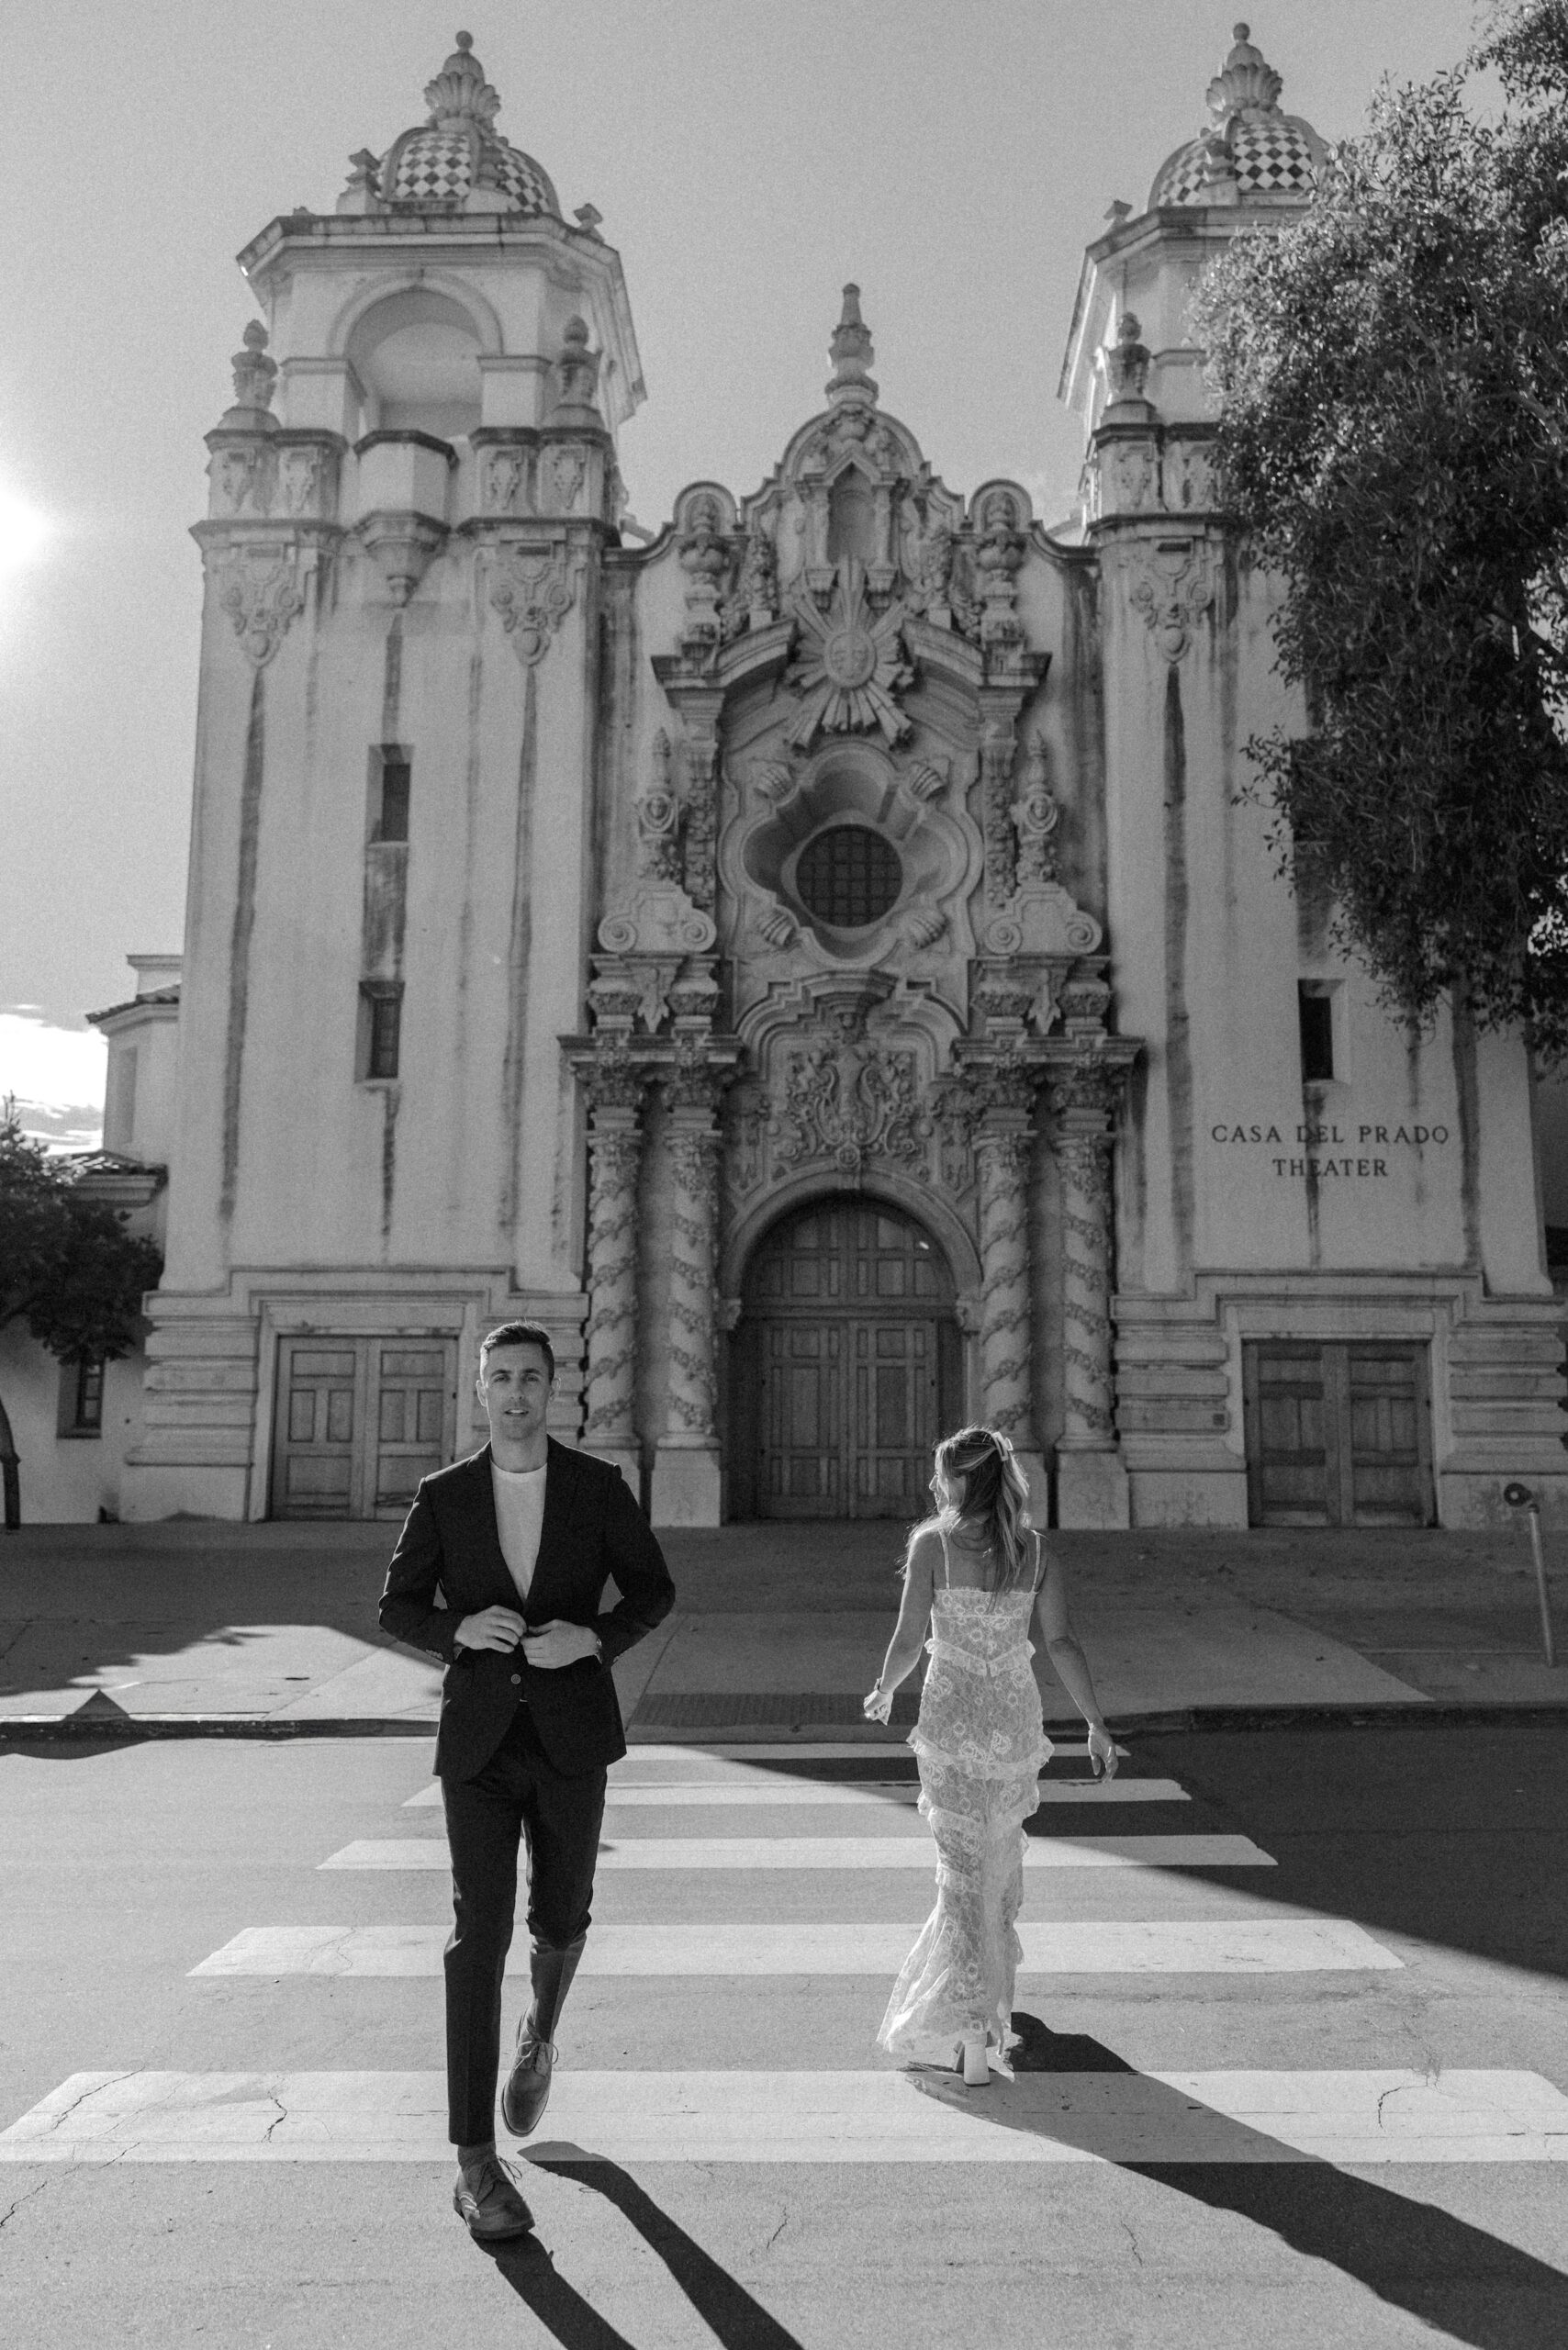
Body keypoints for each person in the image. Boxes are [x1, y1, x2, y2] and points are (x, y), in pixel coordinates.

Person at [379, 1320, 676, 2243]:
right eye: (500, 1377)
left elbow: (652, 1591)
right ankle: (474, 2162)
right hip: (476, 1745)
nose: (514, 1393)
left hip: (569, 1737)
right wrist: (455, 1633)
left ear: (553, 1390)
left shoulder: (595, 1488)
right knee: (478, 1935)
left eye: (530, 1378)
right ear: (480, 1389)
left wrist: (595, 1637)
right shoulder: (443, 1495)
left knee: (564, 1915)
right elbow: (397, 1604)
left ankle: (540, 2030)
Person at [865, 1425, 1115, 2085]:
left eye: (941, 1474)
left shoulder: (933, 1545)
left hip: (950, 1720)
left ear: (958, 1479)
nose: (934, 1486)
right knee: (997, 1860)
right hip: (1010, 1716)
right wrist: (1096, 1724)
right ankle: (988, 2013)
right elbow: (1062, 1644)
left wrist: (884, 1690)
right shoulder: (1036, 1551)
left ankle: (972, 2029)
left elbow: (908, 1640)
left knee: (961, 1869)